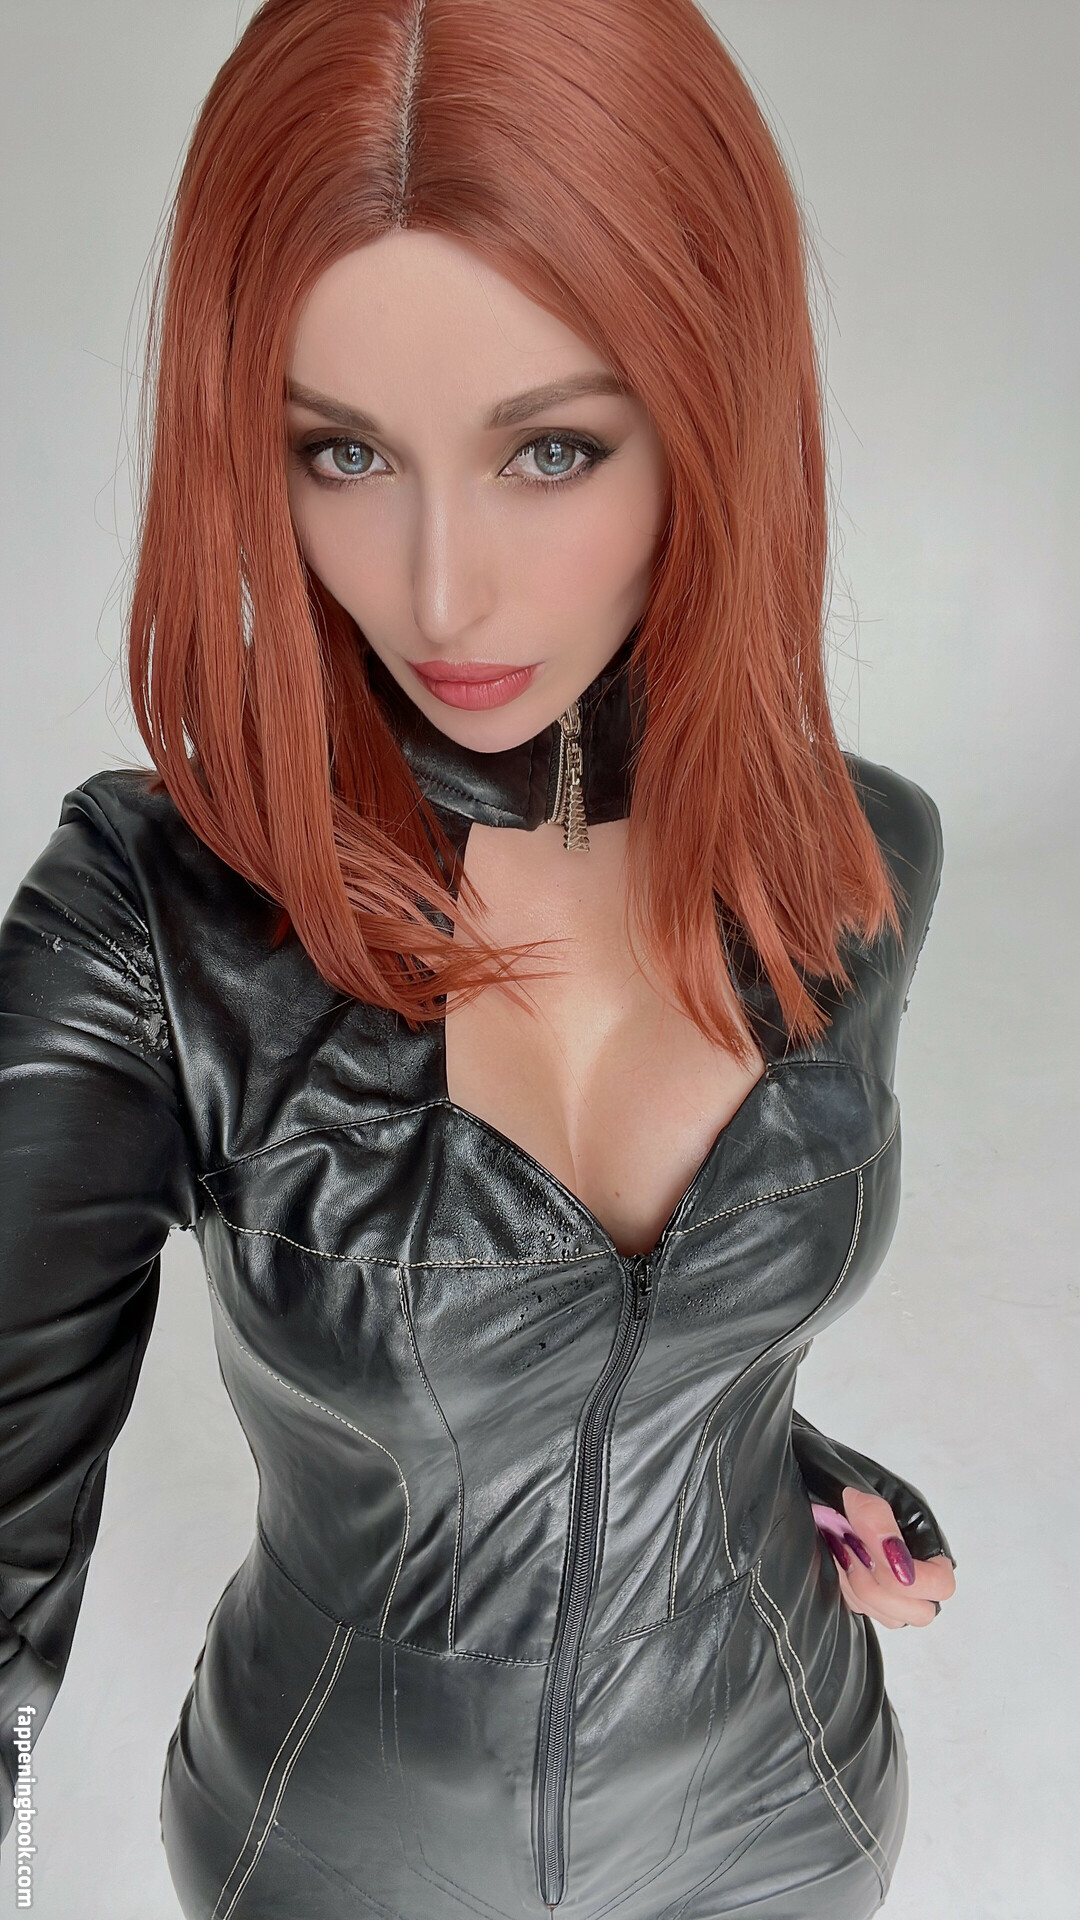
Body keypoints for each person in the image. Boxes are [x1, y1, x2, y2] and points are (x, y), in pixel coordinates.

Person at [0, 1, 958, 1914]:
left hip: (789, 1815)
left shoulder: (858, 862)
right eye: (344, 451)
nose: (440, 590)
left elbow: (632, 1355)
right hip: (345, 1857)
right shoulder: (153, 916)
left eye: (552, 450)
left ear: (714, 407)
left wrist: (788, 1457)